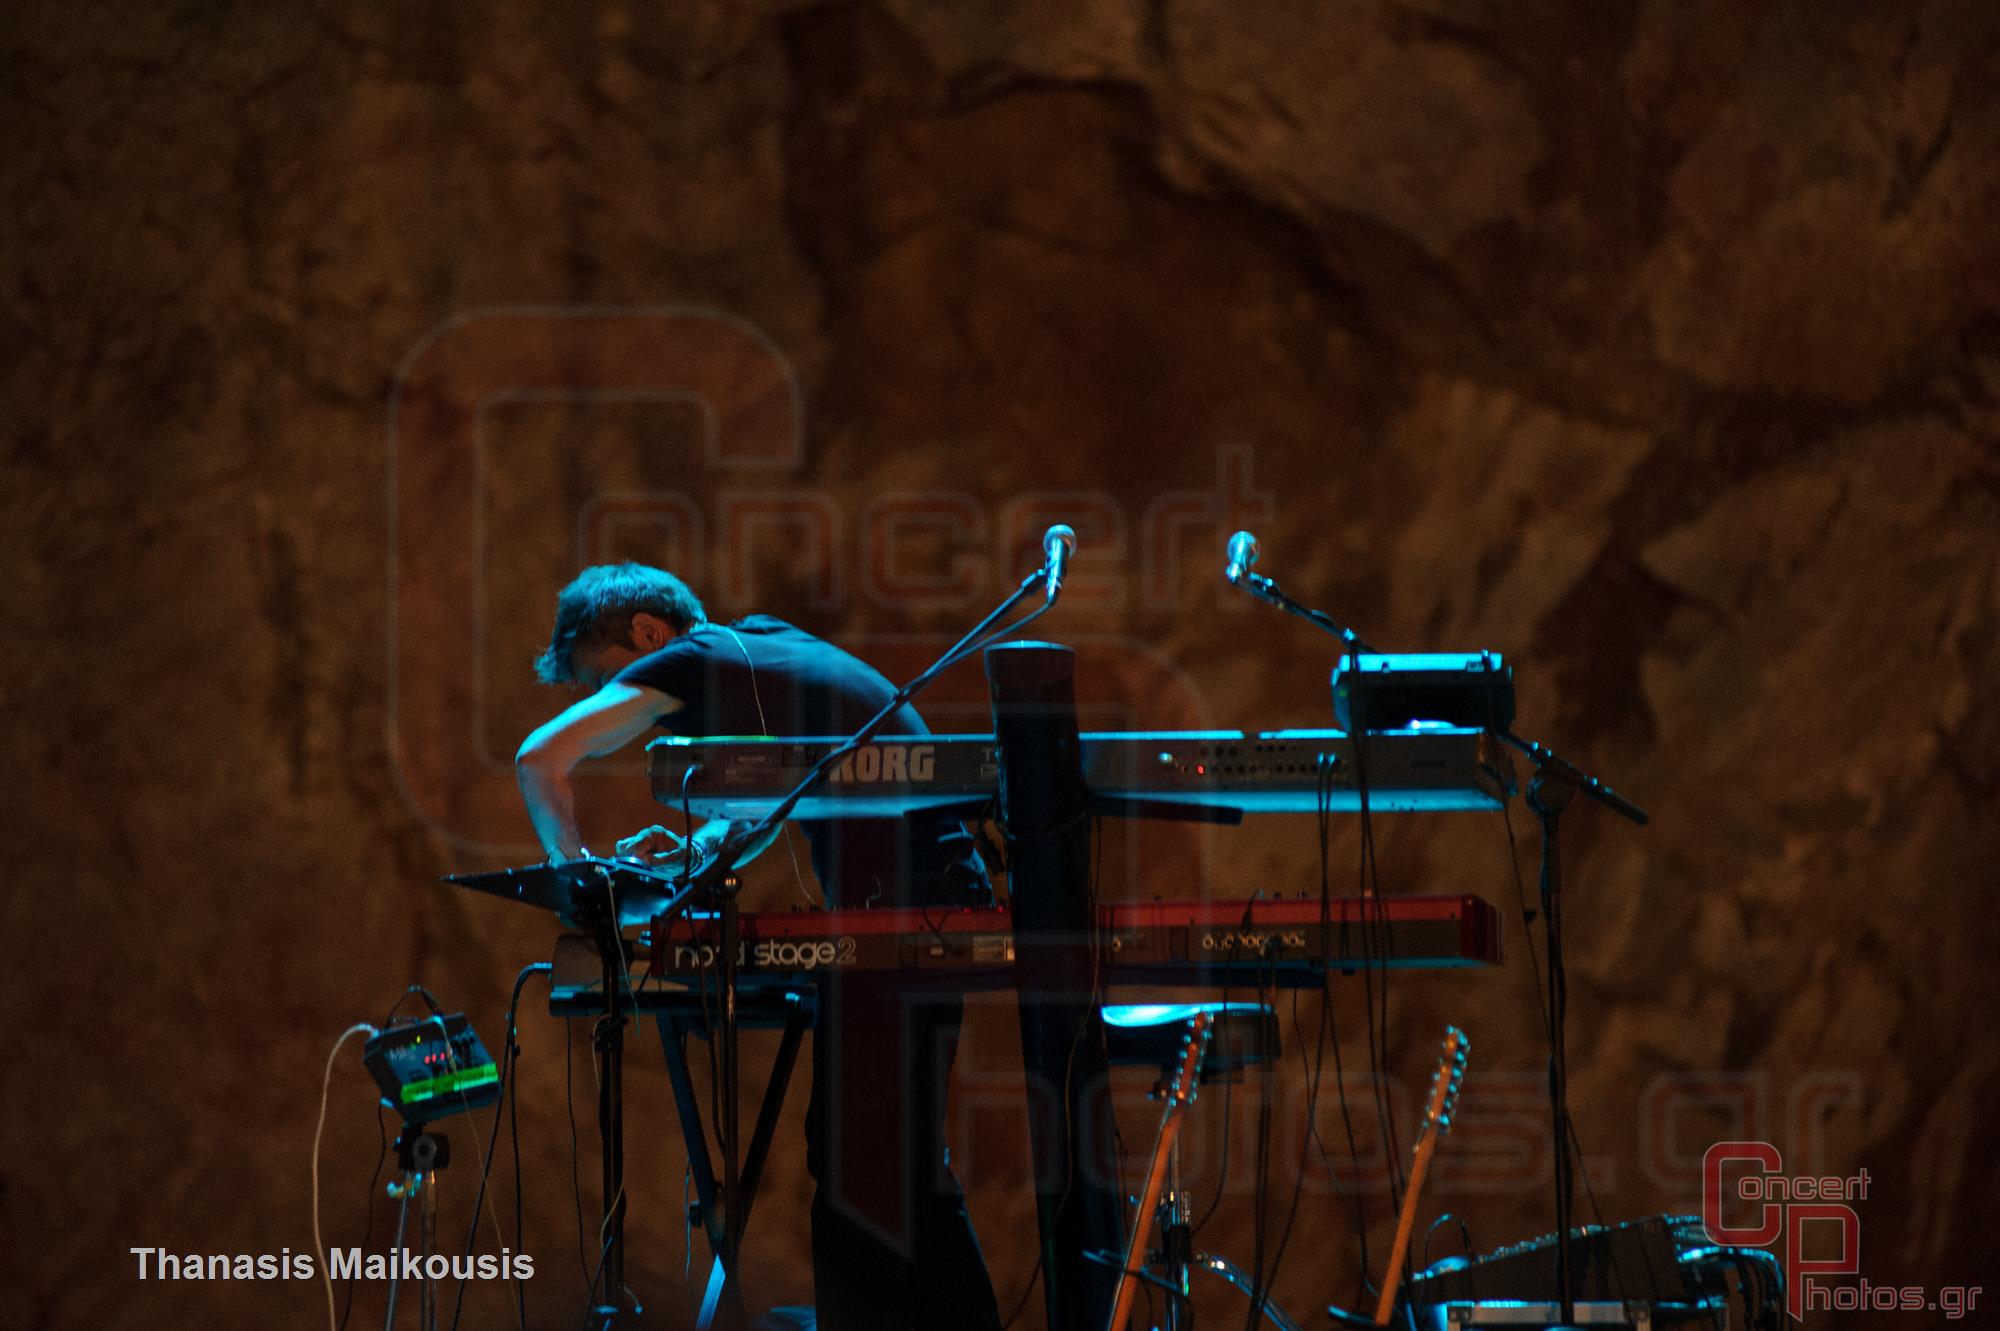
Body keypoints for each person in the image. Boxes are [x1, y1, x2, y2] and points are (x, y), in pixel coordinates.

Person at [514, 562, 1003, 1331]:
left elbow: (540, 757)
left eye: (605, 677)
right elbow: (764, 809)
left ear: (647, 633)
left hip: (896, 918)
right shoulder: (766, 647)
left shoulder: (692, 656)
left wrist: (578, 876)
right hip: (938, 902)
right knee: (900, 1160)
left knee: (856, 1159)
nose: (611, 696)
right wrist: (688, 855)